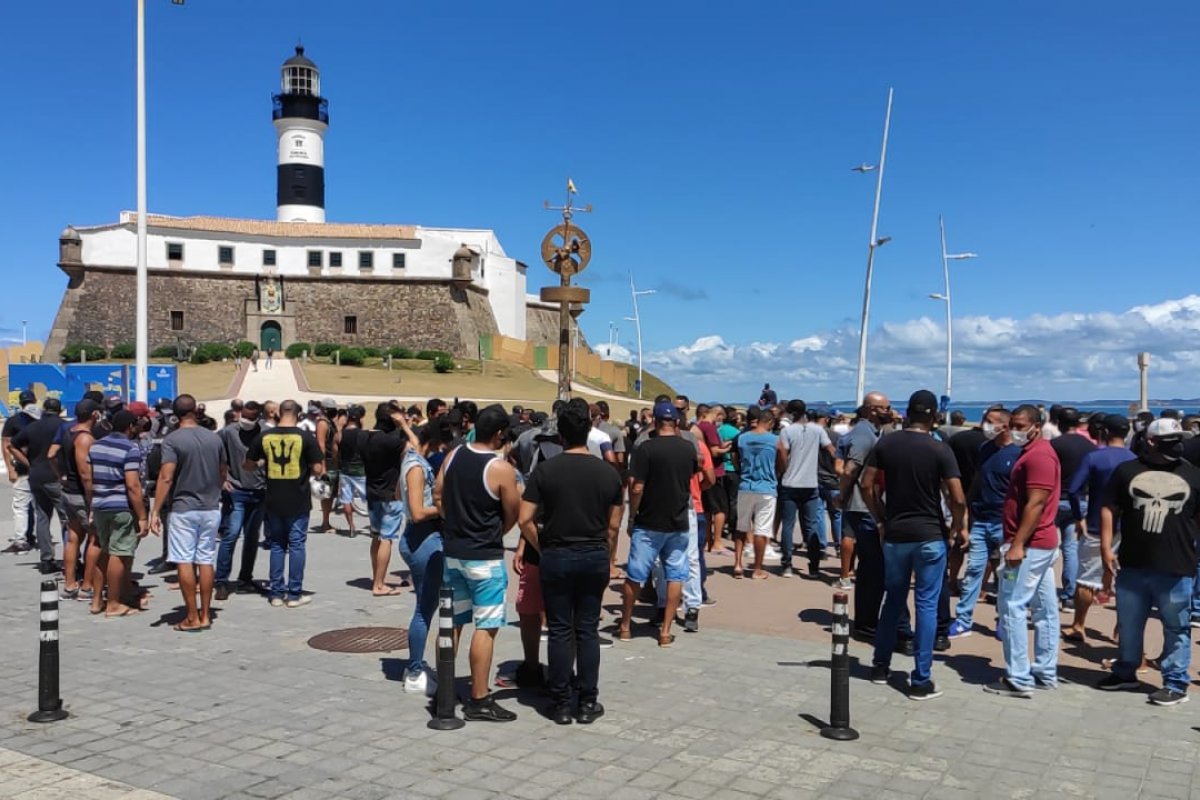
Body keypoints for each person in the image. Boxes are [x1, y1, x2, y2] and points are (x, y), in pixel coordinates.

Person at [519, 400, 623, 724]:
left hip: (557, 554)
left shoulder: (545, 471)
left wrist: (544, 545)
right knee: (587, 629)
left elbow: (525, 519)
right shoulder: (608, 473)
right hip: (593, 553)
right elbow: (614, 525)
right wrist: (606, 554)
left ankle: (561, 702)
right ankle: (588, 701)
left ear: (560, 434)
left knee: (561, 630)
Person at [863, 390, 966, 701]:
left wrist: (880, 518)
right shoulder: (939, 449)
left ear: (907, 413)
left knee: (893, 600)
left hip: (896, 534)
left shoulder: (887, 443)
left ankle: (880, 666)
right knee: (927, 605)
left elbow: (866, 484)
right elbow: (957, 497)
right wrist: (959, 527)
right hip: (930, 534)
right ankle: (921, 678)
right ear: (934, 416)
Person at [1097, 418, 1200, 705]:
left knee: (1175, 626)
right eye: (1170, 441)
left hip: (1177, 565)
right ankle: (1125, 671)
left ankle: (1176, 682)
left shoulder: (1193, 476)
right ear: (1151, 441)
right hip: (1133, 562)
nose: (1178, 445)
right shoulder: (1127, 472)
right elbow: (1109, 507)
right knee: (1129, 622)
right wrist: (1106, 548)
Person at [435, 404, 521, 722]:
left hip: (453, 552)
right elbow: (513, 509)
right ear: (499, 434)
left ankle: (444, 689)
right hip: (484, 556)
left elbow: (438, 492)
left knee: (452, 622)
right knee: (486, 626)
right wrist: (498, 531)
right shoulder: (500, 468)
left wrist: (452, 521)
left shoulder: (454, 455)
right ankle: (479, 697)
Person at [985, 404, 1061, 698]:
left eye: (1019, 425)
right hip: (1038, 544)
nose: (1013, 430)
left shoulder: (1039, 456)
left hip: (1030, 545)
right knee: (1044, 608)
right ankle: (1045, 670)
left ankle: (1019, 677)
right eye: (1012, 424)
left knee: (1012, 607)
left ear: (1036, 426)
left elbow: (1036, 503)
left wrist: (1017, 544)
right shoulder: (1030, 453)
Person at [620, 401, 698, 644]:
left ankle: (625, 626)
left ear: (654, 421)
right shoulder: (688, 448)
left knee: (635, 574)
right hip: (678, 519)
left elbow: (637, 487)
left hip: (649, 520)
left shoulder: (646, 448)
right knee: (676, 574)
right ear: (676, 422)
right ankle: (665, 631)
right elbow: (696, 476)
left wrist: (633, 513)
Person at [151, 395, 226, 632]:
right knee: (205, 559)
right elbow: (223, 471)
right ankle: (205, 614)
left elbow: (166, 476)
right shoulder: (213, 438)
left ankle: (191, 616)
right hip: (211, 506)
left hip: (184, 506)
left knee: (184, 559)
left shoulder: (172, 440)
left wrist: (155, 510)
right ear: (195, 410)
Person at [1062, 414, 1135, 642]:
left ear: (1103, 432)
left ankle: (1079, 624)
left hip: (1095, 523)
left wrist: (1078, 517)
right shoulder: (1135, 459)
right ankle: (1120, 629)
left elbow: (1074, 489)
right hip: (1128, 527)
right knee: (1125, 580)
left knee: (1086, 578)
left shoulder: (1094, 457)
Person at [246, 399, 324, 608]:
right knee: (297, 544)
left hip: (273, 498)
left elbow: (248, 464)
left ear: (279, 414)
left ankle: (276, 593)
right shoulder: (305, 437)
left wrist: (263, 462)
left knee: (277, 545)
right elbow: (318, 469)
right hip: (298, 498)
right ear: (298, 415)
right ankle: (294, 593)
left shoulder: (265, 436)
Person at [949, 408, 1020, 638]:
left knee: (1005, 576)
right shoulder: (985, 449)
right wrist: (964, 516)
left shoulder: (1018, 453)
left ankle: (1003, 620)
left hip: (1005, 523)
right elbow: (977, 482)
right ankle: (963, 619)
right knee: (973, 571)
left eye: (990, 422)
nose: (984, 425)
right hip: (980, 520)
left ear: (1005, 426)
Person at [398, 417, 448, 696]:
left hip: (417, 538)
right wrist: (443, 507)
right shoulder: (417, 467)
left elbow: (400, 496)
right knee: (423, 609)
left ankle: (415, 665)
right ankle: (416, 671)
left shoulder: (410, 460)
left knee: (424, 606)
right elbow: (417, 512)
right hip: (423, 539)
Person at [86, 410, 149, 617]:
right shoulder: (130, 448)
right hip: (120, 506)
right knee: (119, 554)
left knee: (103, 551)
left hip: (100, 504)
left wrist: (92, 505)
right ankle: (113, 603)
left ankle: (97, 601)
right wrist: (141, 516)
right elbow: (132, 485)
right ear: (130, 426)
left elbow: (88, 477)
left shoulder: (96, 446)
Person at [839, 393, 891, 639]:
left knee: (873, 567)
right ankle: (865, 622)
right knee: (873, 567)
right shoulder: (863, 434)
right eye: (884, 407)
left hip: (867, 506)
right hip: (862, 507)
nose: (888, 411)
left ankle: (867, 619)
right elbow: (850, 470)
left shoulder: (875, 432)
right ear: (871, 410)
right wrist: (841, 496)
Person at [46, 399, 100, 598]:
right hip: (80, 494)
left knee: (73, 538)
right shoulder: (85, 438)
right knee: (96, 538)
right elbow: (86, 475)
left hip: (68, 491)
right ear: (94, 414)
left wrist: (60, 475)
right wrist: (92, 500)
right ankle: (87, 585)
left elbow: (51, 454)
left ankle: (69, 584)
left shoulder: (69, 431)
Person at [775, 399, 835, 578]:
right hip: (810, 483)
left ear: (790, 413)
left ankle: (787, 564)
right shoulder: (818, 430)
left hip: (790, 482)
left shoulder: (787, 431)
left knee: (788, 524)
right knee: (810, 525)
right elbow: (831, 449)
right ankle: (814, 565)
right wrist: (838, 466)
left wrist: (784, 469)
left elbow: (782, 453)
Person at [214, 400, 266, 600]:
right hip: (236, 490)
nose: (246, 421)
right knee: (231, 534)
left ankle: (245, 578)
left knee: (252, 537)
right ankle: (221, 581)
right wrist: (222, 479)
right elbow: (216, 453)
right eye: (244, 416)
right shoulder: (229, 432)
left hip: (260, 491)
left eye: (251, 418)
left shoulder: (265, 432)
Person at [10, 397, 68, 573]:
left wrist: (28, 462)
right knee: (67, 519)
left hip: (36, 476)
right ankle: (71, 559)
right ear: (59, 411)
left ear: (44, 410)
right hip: (56, 476)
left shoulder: (33, 427)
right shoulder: (64, 426)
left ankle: (46, 559)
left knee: (42, 518)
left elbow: (12, 445)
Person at [1050, 407, 1096, 610]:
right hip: (1079, 500)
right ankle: (1069, 595)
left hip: (1054, 499)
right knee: (1070, 549)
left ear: (1059, 423)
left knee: (1045, 549)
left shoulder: (1053, 445)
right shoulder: (1089, 446)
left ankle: (1043, 594)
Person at [364, 403, 410, 596]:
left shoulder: (364, 437)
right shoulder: (391, 442)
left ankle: (377, 578)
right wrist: (405, 426)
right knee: (387, 538)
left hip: (372, 491)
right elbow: (415, 448)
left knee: (376, 536)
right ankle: (379, 585)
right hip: (390, 494)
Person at [734, 407, 778, 580]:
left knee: (741, 526)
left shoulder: (742, 438)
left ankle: (737, 564)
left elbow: (736, 459)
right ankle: (757, 569)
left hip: (746, 485)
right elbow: (782, 460)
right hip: (766, 486)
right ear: (769, 423)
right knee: (762, 529)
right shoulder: (775, 440)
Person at [2, 389, 39, 554]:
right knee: (37, 506)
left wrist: (11, 469)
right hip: (42, 468)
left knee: (21, 505)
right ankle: (31, 536)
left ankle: (20, 540)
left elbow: (6, 445)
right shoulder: (42, 419)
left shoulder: (13, 421)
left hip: (23, 468)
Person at [315, 398, 339, 533]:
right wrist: (322, 467)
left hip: (333, 462)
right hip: (327, 462)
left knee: (331, 494)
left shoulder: (330, 422)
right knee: (326, 494)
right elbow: (321, 445)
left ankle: (327, 521)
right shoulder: (323, 423)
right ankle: (325, 523)